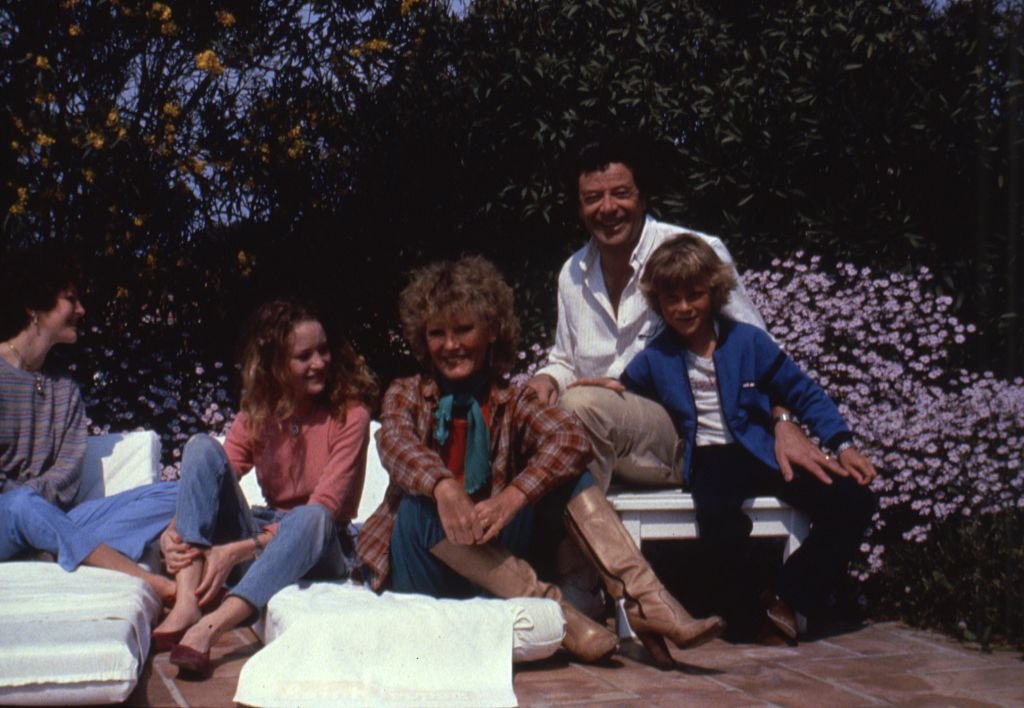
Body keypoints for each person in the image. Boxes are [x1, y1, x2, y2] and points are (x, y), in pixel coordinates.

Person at [357, 256, 723, 668]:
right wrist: (444, 487)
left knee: (568, 474)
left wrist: (513, 496)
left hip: (499, 560)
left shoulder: (512, 401)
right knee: (420, 504)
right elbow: (395, 443)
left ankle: (646, 600)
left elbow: (570, 439)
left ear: (491, 331)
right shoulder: (407, 392)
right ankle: (562, 618)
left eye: (463, 329)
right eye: (437, 334)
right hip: (427, 568)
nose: (450, 345)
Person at [527, 132, 844, 492]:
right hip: (600, 432)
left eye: (621, 193)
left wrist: (784, 422)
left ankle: (577, 543)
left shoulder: (697, 252)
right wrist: (546, 380)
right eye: (592, 198)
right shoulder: (572, 273)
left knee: (580, 406)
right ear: (579, 207)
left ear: (643, 197)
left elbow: (759, 352)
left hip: (687, 435)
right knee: (533, 412)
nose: (608, 208)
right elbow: (565, 360)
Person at [616, 233, 877, 641]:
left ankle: (788, 595)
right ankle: (747, 617)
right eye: (672, 299)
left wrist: (842, 443)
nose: (684, 308)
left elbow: (801, 391)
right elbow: (625, 397)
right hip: (707, 458)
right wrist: (599, 392)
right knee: (718, 519)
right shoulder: (655, 357)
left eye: (694, 295)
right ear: (658, 303)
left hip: (759, 448)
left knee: (853, 498)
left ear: (714, 292)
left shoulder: (748, 342)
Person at [155, 299, 377, 677]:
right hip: (262, 536)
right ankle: (187, 599)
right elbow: (217, 472)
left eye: (323, 350)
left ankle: (211, 626)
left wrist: (234, 553)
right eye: (303, 356)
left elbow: (328, 506)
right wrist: (173, 528)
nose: (319, 362)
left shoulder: (350, 414)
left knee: (313, 515)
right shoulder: (260, 409)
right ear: (275, 365)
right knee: (200, 448)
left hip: (320, 546)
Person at [0, 249, 177, 600]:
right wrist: (29, 505)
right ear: (33, 308)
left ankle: (52, 548)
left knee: (179, 493)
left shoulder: (66, 390)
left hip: (51, 518)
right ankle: (151, 583)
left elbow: (68, 473)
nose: (80, 310)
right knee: (21, 506)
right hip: (7, 518)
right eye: (70, 299)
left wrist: (41, 514)